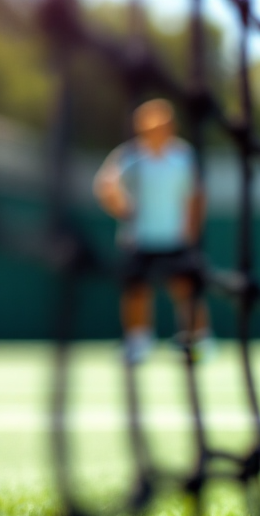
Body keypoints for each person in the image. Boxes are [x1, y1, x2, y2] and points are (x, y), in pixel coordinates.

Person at [93, 99, 213, 364]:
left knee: (185, 288)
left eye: (159, 123)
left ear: (170, 126)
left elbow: (197, 196)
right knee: (135, 291)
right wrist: (119, 204)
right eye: (147, 123)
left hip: (176, 238)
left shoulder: (184, 156)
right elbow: (105, 185)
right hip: (138, 238)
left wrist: (192, 232)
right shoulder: (129, 156)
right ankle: (138, 342)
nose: (153, 128)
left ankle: (199, 340)